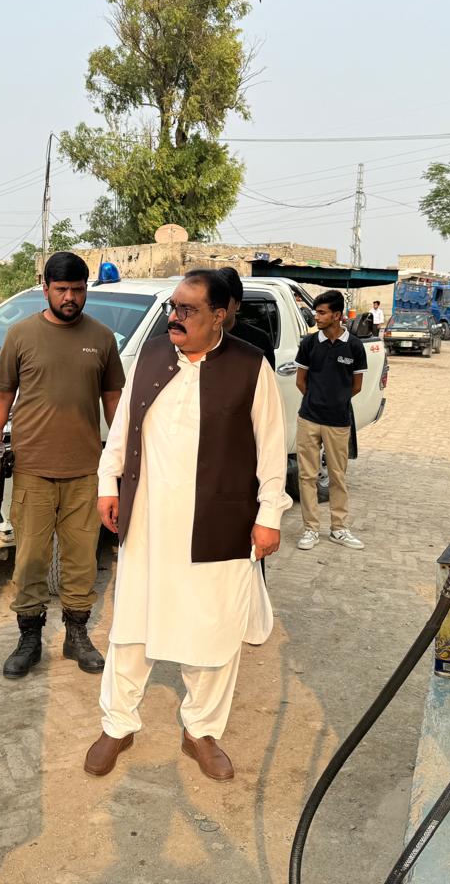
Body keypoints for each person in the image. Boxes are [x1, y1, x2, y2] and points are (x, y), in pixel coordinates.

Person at [83, 269, 289, 782]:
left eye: (188, 310)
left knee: (212, 629)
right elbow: (123, 426)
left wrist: (269, 516)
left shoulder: (250, 366)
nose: (174, 317)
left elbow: (271, 447)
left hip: (218, 521)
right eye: (173, 307)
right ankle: (118, 724)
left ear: (219, 316)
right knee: (132, 627)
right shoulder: (153, 354)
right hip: (148, 522)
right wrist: (108, 482)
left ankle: (201, 731)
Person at [0, 251, 125, 679]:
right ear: (45, 288)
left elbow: (114, 401)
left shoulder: (102, 338)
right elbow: (1, 396)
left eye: (78, 290)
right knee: (30, 559)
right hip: (32, 469)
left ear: (86, 290)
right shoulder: (21, 335)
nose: (70, 298)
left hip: (86, 472)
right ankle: (29, 638)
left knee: (82, 560)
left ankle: (76, 635)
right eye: (61, 289)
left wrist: (123, 459)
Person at [294, 289, 368, 551]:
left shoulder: (354, 346)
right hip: (309, 419)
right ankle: (310, 530)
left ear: (337, 315)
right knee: (307, 476)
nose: (317, 316)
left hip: (339, 422)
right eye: (316, 312)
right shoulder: (309, 343)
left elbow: (356, 386)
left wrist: (335, 402)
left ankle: (339, 529)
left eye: (322, 312)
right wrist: (316, 400)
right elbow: (300, 381)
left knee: (338, 476)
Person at [214, 266, 276, 368]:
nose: (218, 306)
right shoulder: (199, 337)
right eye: (215, 299)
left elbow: (267, 377)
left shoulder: (258, 341)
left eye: (224, 300)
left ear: (237, 304)